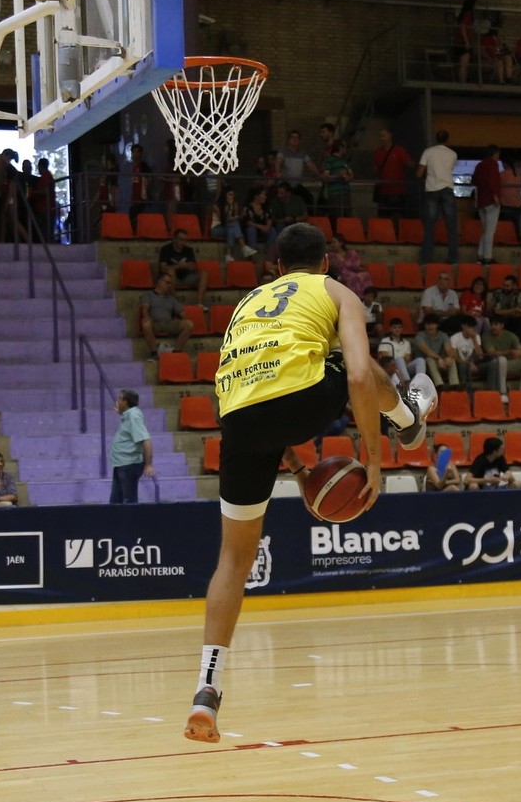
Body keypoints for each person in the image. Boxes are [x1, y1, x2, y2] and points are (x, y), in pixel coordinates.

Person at [184, 223, 437, 745]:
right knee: (352, 361)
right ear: (326, 264)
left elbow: (263, 393)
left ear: (277, 268)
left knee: (233, 560)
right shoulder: (335, 291)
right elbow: (361, 377)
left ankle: (206, 691)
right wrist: (371, 458)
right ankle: (409, 424)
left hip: (238, 421)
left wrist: (300, 472)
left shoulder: (247, 303)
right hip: (299, 402)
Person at [417, 130, 460, 264]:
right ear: (447, 140)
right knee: (451, 227)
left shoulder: (428, 152)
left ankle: (426, 258)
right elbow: (449, 170)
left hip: (431, 190)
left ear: (436, 139)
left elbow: (419, 173)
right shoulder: (453, 154)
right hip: (447, 189)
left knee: (429, 226)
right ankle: (453, 258)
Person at [109, 389, 154, 504]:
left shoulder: (134, 417)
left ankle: (132, 522)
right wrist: (122, 413)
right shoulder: (128, 416)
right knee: (115, 502)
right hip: (121, 464)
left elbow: (146, 440)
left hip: (129, 465)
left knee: (129, 501)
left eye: (120, 399)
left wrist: (148, 464)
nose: (117, 401)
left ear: (126, 402)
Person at [482, 314, 521, 395]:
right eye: (491, 324)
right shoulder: (486, 336)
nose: (493, 327)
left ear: (502, 325)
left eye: (496, 324)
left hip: (507, 365)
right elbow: (491, 353)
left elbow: (520, 349)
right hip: (492, 365)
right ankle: (502, 392)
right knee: (502, 359)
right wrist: (510, 351)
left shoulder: (510, 335)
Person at [140, 272, 193, 355]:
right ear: (160, 281)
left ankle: (176, 351)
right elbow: (145, 308)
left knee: (189, 324)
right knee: (146, 324)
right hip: (155, 323)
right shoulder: (148, 294)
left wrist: (187, 321)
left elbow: (183, 314)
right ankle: (153, 353)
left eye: (170, 284)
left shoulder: (172, 299)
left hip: (168, 323)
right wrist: (146, 316)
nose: (168, 286)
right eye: (167, 282)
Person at [159, 229, 208, 305]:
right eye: (181, 240)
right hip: (172, 279)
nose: (183, 242)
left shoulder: (188, 250)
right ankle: (173, 303)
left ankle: (199, 303)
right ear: (175, 239)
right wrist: (178, 266)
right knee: (171, 272)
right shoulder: (165, 249)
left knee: (204, 273)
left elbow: (194, 267)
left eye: (185, 240)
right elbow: (163, 268)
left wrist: (188, 266)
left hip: (186, 276)